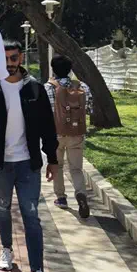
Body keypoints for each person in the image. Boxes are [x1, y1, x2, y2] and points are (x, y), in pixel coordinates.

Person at [0, 40, 58, 272]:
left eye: (13, 58)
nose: (9, 63)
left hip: (27, 164)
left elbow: (47, 126)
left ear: (21, 58)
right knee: (2, 207)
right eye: (4, 59)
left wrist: (52, 158)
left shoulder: (34, 89)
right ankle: (7, 250)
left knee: (31, 215)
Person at [45, 55, 93, 218]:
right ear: (70, 70)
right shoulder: (82, 86)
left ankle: (61, 198)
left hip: (55, 134)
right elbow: (89, 109)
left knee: (57, 166)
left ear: (53, 70)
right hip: (76, 133)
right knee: (76, 168)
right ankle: (81, 195)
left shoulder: (49, 87)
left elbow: (46, 113)